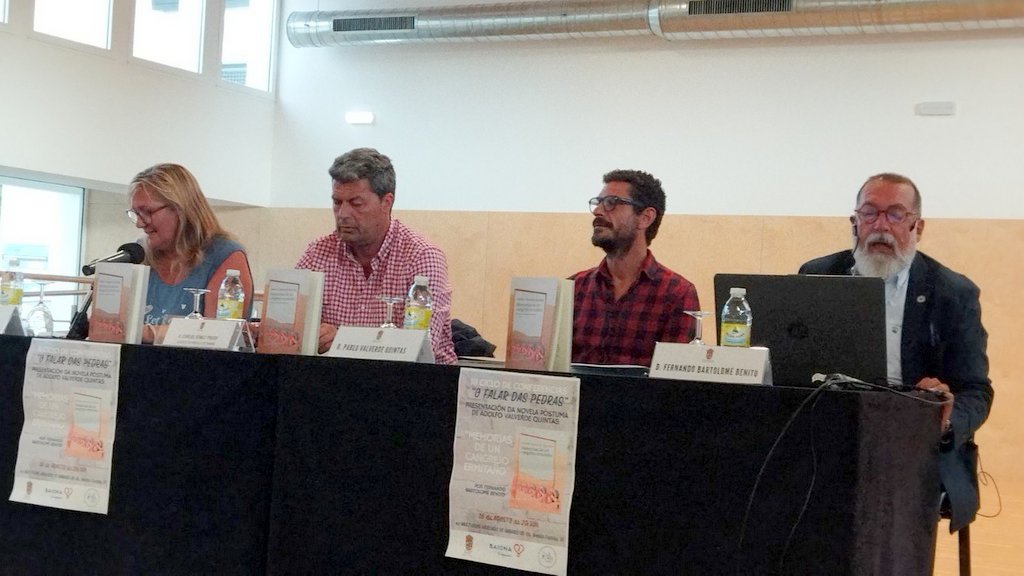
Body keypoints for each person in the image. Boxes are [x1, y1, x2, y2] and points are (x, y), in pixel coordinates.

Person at [799, 172, 993, 532]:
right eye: (870, 213)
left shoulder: (952, 293)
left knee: (881, 509)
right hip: (829, 434)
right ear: (854, 222)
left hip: (914, 443)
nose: (881, 226)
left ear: (918, 226)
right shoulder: (818, 275)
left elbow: (976, 391)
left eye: (895, 214)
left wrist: (946, 417)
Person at [296, 148, 457, 363]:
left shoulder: (422, 256)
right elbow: (289, 327)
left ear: (386, 202)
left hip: (411, 380)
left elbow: (420, 348)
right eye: (337, 202)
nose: (343, 214)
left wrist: (341, 340)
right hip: (335, 379)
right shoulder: (317, 253)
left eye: (356, 204)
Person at [570, 169, 699, 366]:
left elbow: (675, 379)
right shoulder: (574, 287)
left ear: (645, 218)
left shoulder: (677, 293)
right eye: (598, 202)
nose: (598, 211)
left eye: (611, 203)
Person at [128, 163, 254, 341]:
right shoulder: (137, 254)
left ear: (180, 209)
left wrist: (146, 332)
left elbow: (217, 336)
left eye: (147, 212)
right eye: (136, 213)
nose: (139, 223)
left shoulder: (225, 255)